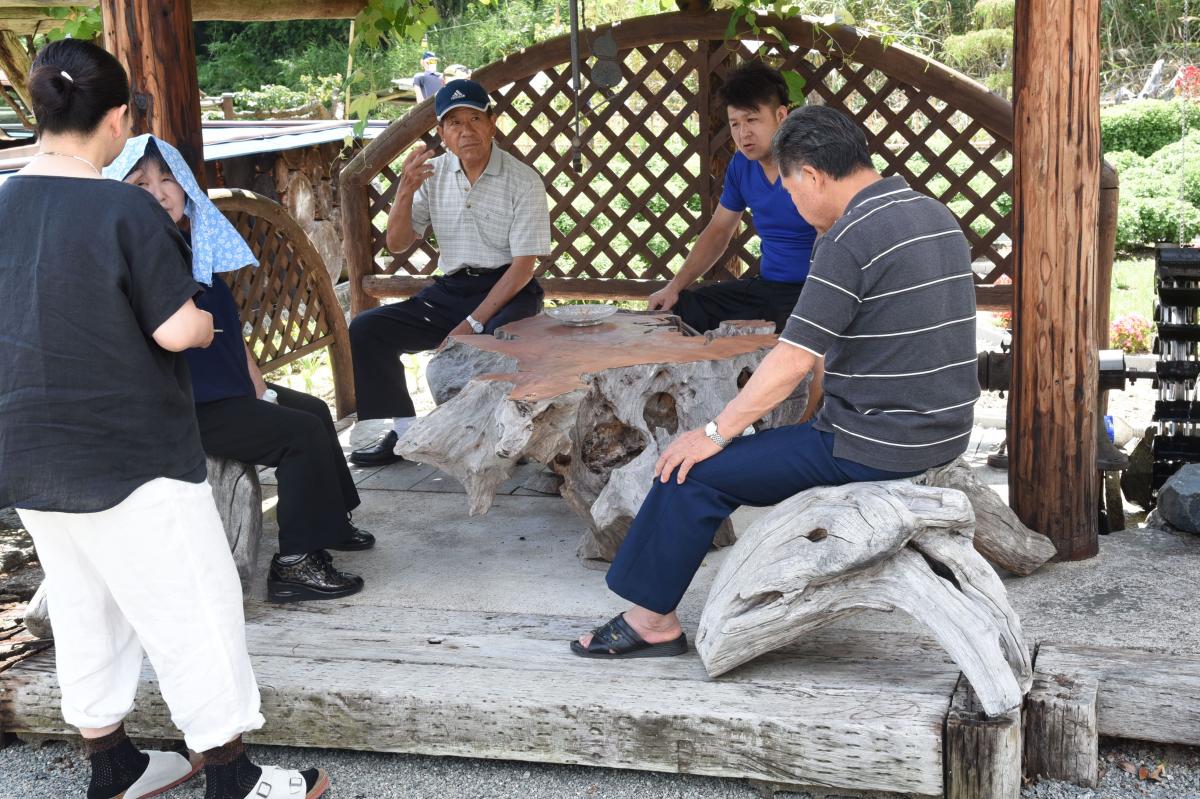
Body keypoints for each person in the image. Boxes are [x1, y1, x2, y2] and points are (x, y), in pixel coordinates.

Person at [0, 39, 328, 798]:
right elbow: (177, 330)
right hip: (130, 448)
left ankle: (111, 762)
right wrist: (208, 325)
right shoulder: (122, 207)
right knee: (195, 603)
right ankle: (232, 775)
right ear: (116, 120)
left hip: (27, 450)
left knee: (85, 601)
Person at [572, 105, 981, 658]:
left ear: (811, 175)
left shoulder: (849, 238)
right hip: (946, 430)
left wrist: (714, 433)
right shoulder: (931, 213)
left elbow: (791, 357)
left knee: (689, 472)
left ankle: (650, 623)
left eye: (791, 191)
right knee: (760, 444)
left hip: (879, 444)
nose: (793, 204)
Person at [105, 134, 373, 604]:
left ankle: (329, 522)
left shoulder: (191, 247)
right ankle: (295, 564)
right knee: (299, 436)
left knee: (310, 410)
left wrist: (255, 379)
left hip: (220, 391)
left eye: (168, 179)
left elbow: (228, 326)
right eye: (140, 183)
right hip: (182, 406)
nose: (159, 192)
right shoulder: (132, 261)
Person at [348, 78, 551, 466]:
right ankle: (407, 435)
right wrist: (404, 191)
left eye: (475, 118)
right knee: (368, 328)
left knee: (495, 341)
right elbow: (397, 243)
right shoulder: (433, 173)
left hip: (509, 289)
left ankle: (508, 436)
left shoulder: (522, 180)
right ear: (441, 133)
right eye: (454, 123)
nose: (466, 130)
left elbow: (524, 268)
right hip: (451, 289)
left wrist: (472, 324)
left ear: (492, 124)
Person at [646, 62, 818, 333]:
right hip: (768, 288)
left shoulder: (813, 162)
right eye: (735, 124)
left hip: (815, 292)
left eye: (752, 120)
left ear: (782, 116)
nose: (743, 133)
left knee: (794, 329)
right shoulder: (741, 165)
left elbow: (841, 234)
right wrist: (674, 287)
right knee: (682, 309)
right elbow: (719, 231)